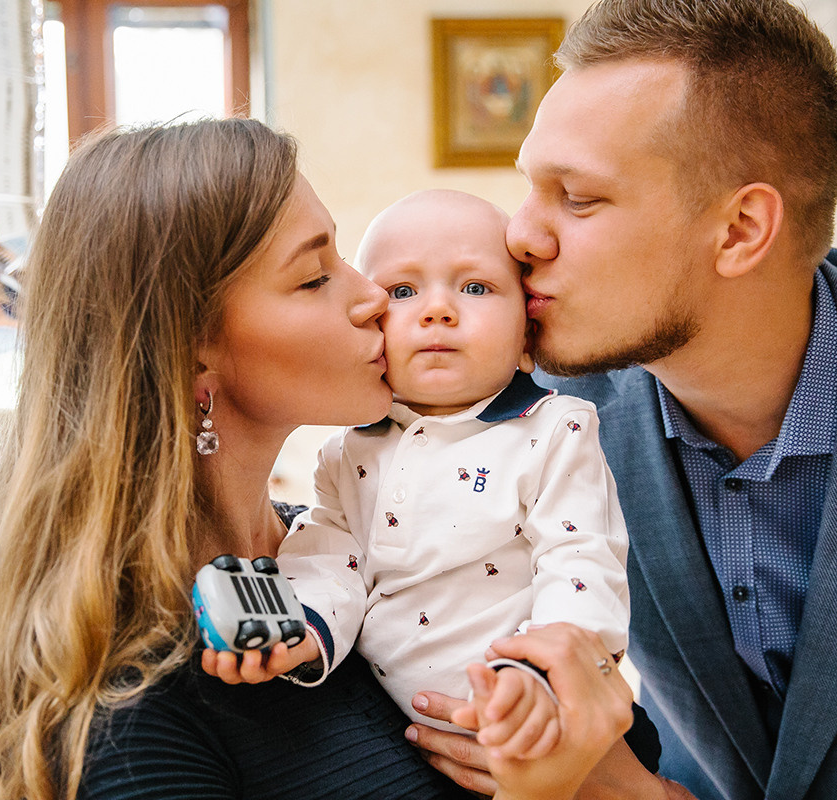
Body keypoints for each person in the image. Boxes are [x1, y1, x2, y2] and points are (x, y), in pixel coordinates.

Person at [0, 119, 668, 800]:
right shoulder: (128, 719)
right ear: (192, 353)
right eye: (315, 276)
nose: (373, 296)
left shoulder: (341, 534)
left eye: (343, 256)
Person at [416, 0, 837, 798]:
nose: (521, 236)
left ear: (741, 229)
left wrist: (621, 791)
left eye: (577, 198)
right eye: (530, 189)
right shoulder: (548, 404)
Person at [207, 189, 629, 764]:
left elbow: (581, 560)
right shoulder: (347, 452)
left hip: (535, 720)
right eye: (402, 292)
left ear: (528, 340)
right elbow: (331, 561)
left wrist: (541, 678)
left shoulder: (554, 429)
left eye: (475, 287)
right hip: (420, 743)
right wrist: (300, 630)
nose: (438, 310)